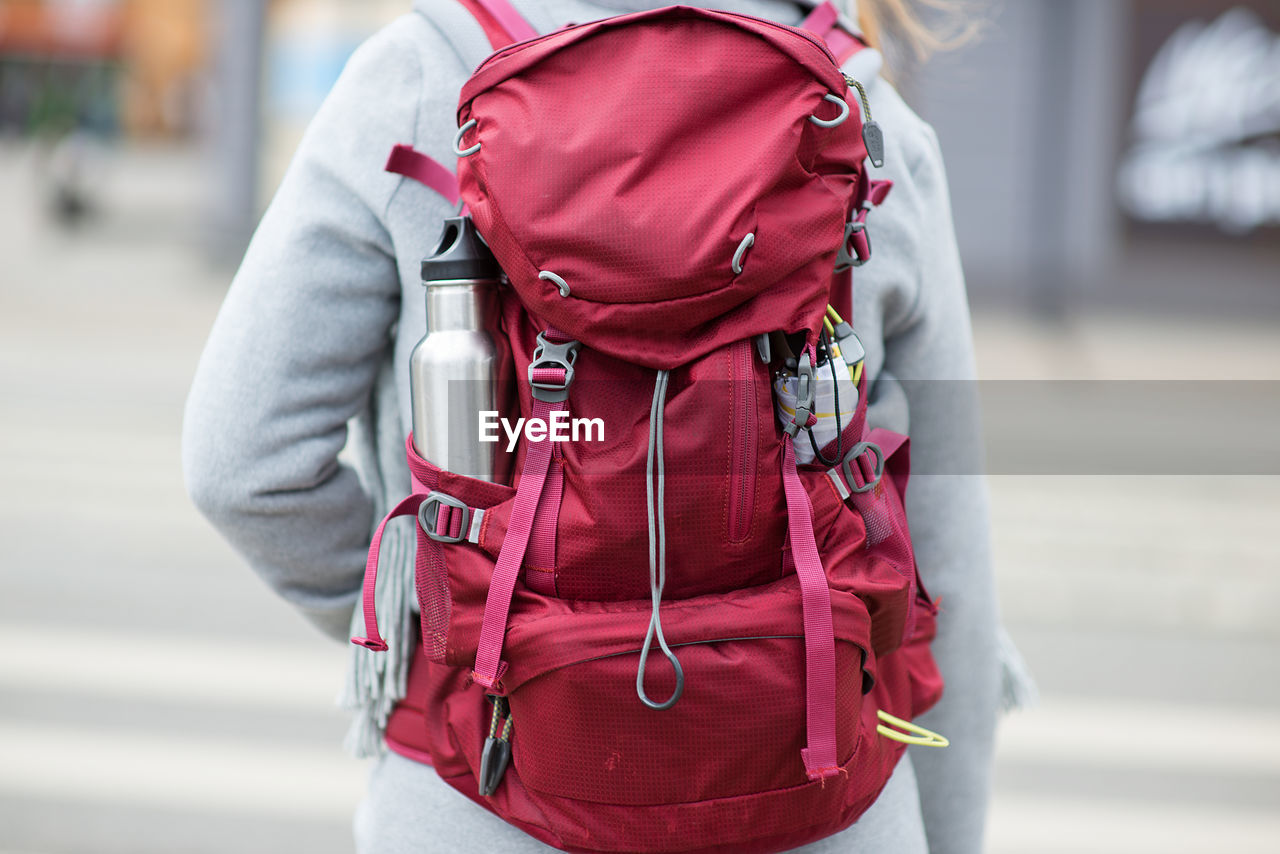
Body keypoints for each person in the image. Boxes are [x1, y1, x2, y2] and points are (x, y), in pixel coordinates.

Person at [183, 1, 1022, 851]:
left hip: (477, 790)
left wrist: (442, 616)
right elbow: (946, 562)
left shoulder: (417, 80)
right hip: (822, 795)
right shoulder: (865, 112)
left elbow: (243, 463)